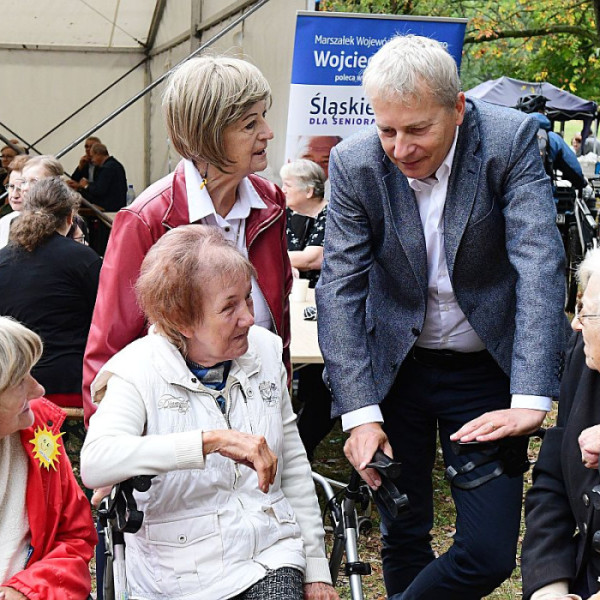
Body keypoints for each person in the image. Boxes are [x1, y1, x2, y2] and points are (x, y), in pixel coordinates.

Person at [316, 34, 566, 599]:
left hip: (483, 368)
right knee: (403, 532)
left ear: (457, 109)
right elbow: (339, 291)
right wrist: (358, 413)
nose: (400, 148)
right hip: (396, 369)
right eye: (387, 130)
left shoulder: (509, 141)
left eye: (417, 129)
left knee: (488, 550)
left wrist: (529, 398)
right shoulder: (355, 163)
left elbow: (540, 265)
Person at [81, 225, 338, 600]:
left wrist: (316, 567)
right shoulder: (137, 370)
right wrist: (210, 442)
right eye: (229, 307)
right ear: (181, 320)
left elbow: (294, 465)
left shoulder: (264, 351)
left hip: (268, 553)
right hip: (176, 572)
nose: (248, 318)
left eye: (248, 299)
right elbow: (96, 463)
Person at [82, 55, 292, 427]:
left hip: (257, 413)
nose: (268, 132)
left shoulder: (271, 204)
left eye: (263, 116)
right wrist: (112, 446)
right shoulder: (146, 219)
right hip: (175, 426)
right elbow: (110, 346)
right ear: (207, 136)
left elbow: (279, 320)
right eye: (250, 123)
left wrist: (281, 402)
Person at [521, 248, 600, 600]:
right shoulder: (584, 359)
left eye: (587, 312)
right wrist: (548, 588)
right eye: (578, 306)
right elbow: (553, 481)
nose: (575, 322)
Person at [0, 316, 96, 600]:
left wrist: (29, 591)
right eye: (20, 381)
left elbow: (76, 537)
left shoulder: (37, 427)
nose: (38, 390)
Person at [0, 177, 101, 409]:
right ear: (69, 218)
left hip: (15, 390)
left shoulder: (2, 259)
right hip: (72, 385)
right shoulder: (83, 259)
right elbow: (107, 320)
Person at [280, 159, 335, 458]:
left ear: (310, 190)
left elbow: (313, 259)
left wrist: (281, 259)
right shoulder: (291, 215)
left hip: (326, 306)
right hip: (299, 303)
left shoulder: (331, 214)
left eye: (288, 185)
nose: (283, 190)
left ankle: (300, 449)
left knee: (322, 383)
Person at [514, 95, 587, 191]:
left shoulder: (510, 134)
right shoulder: (552, 138)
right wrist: (581, 183)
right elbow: (573, 168)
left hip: (510, 199)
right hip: (542, 199)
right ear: (541, 111)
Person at [72, 143, 127, 212]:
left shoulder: (108, 168)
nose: (92, 160)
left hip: (109, 207)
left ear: (98, 154)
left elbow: (99, 190)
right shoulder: (113, 165)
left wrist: (86, 185)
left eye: (92, 157)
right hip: (115, 205)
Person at [0, 155, 30, 249]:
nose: (14, 195)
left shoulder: (58, 222)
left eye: (21, 188)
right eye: (11, 186)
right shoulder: (5, 221)